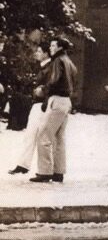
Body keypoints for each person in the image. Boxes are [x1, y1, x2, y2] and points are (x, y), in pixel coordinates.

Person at [30, 37, 77, 183]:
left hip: (56, 100)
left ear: (59, 47)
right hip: (66, 101)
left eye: (53, 45)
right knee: (59, 138)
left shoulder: (57, 61)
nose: (50, 47)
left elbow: (54, 80)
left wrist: (43, 90)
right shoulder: (68, 61)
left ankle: (44, 172)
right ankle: (59, 171)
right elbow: (74, 77)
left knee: (43, 135)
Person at [8, 42, 51, 175]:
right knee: (31, 134)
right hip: (38, 103)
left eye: (39, 51)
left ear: (46, 53)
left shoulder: (49, 68)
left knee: (40, 136)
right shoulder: (43, 67)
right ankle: (23, 164)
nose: (37, 53)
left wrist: (41, 93)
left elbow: (49, 85)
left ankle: (39, 168)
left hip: (42, 104)